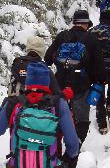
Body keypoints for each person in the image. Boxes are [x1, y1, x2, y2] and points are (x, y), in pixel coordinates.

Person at [44, 9, 106, 145]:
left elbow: (47, 59)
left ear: (74, 23)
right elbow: (100, 69)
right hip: (81, 86)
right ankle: (74, 150)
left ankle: (55, 147)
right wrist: (97, 83)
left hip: (59, 85)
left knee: (57, 116)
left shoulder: (62, 36)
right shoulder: (92, 40)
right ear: (86, 24)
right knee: (81, 120)